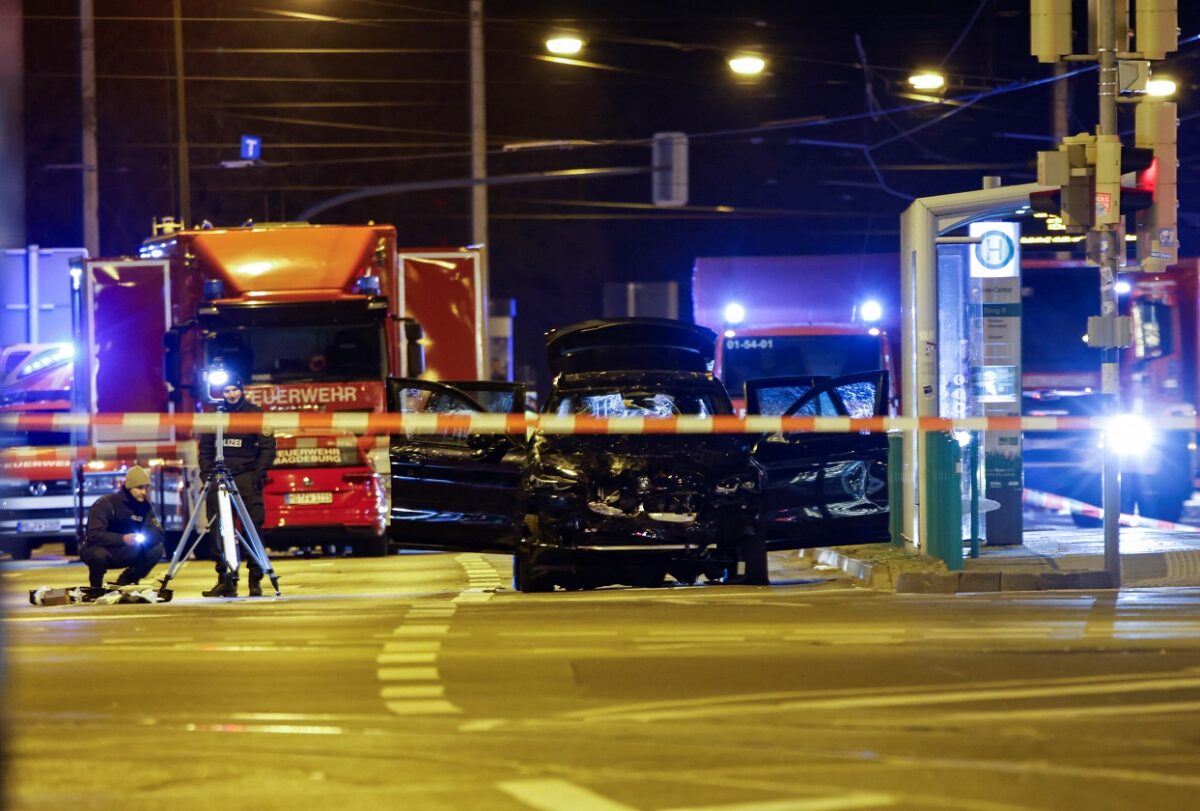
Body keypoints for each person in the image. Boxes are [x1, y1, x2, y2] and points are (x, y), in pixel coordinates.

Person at [198, 376, 275, 597]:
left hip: (246, 477)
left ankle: (255, 579)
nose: (231, 395)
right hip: (218, 479)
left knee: (252, 529)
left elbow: (268, 448)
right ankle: (226, 580)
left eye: (235, 390)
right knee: (220, 531)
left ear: (242, 391)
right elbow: (205, 449)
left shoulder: (255, 413)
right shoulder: (214, 416)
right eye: (227, 391)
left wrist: (256, 475)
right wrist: (207, 475)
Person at [81, 465, 166, 599]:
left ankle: (127, 581)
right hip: (104, 549)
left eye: (146, 488)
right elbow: (94, 534)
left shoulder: (145, 508)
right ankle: (96, 587)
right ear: (129, 488)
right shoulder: (107, 504)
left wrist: (144, 538)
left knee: (157, 550)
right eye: (139, 488)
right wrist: (122, 538)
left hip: (127, 550)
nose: (143, 492)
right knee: (98, 555)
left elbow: (158, 532)